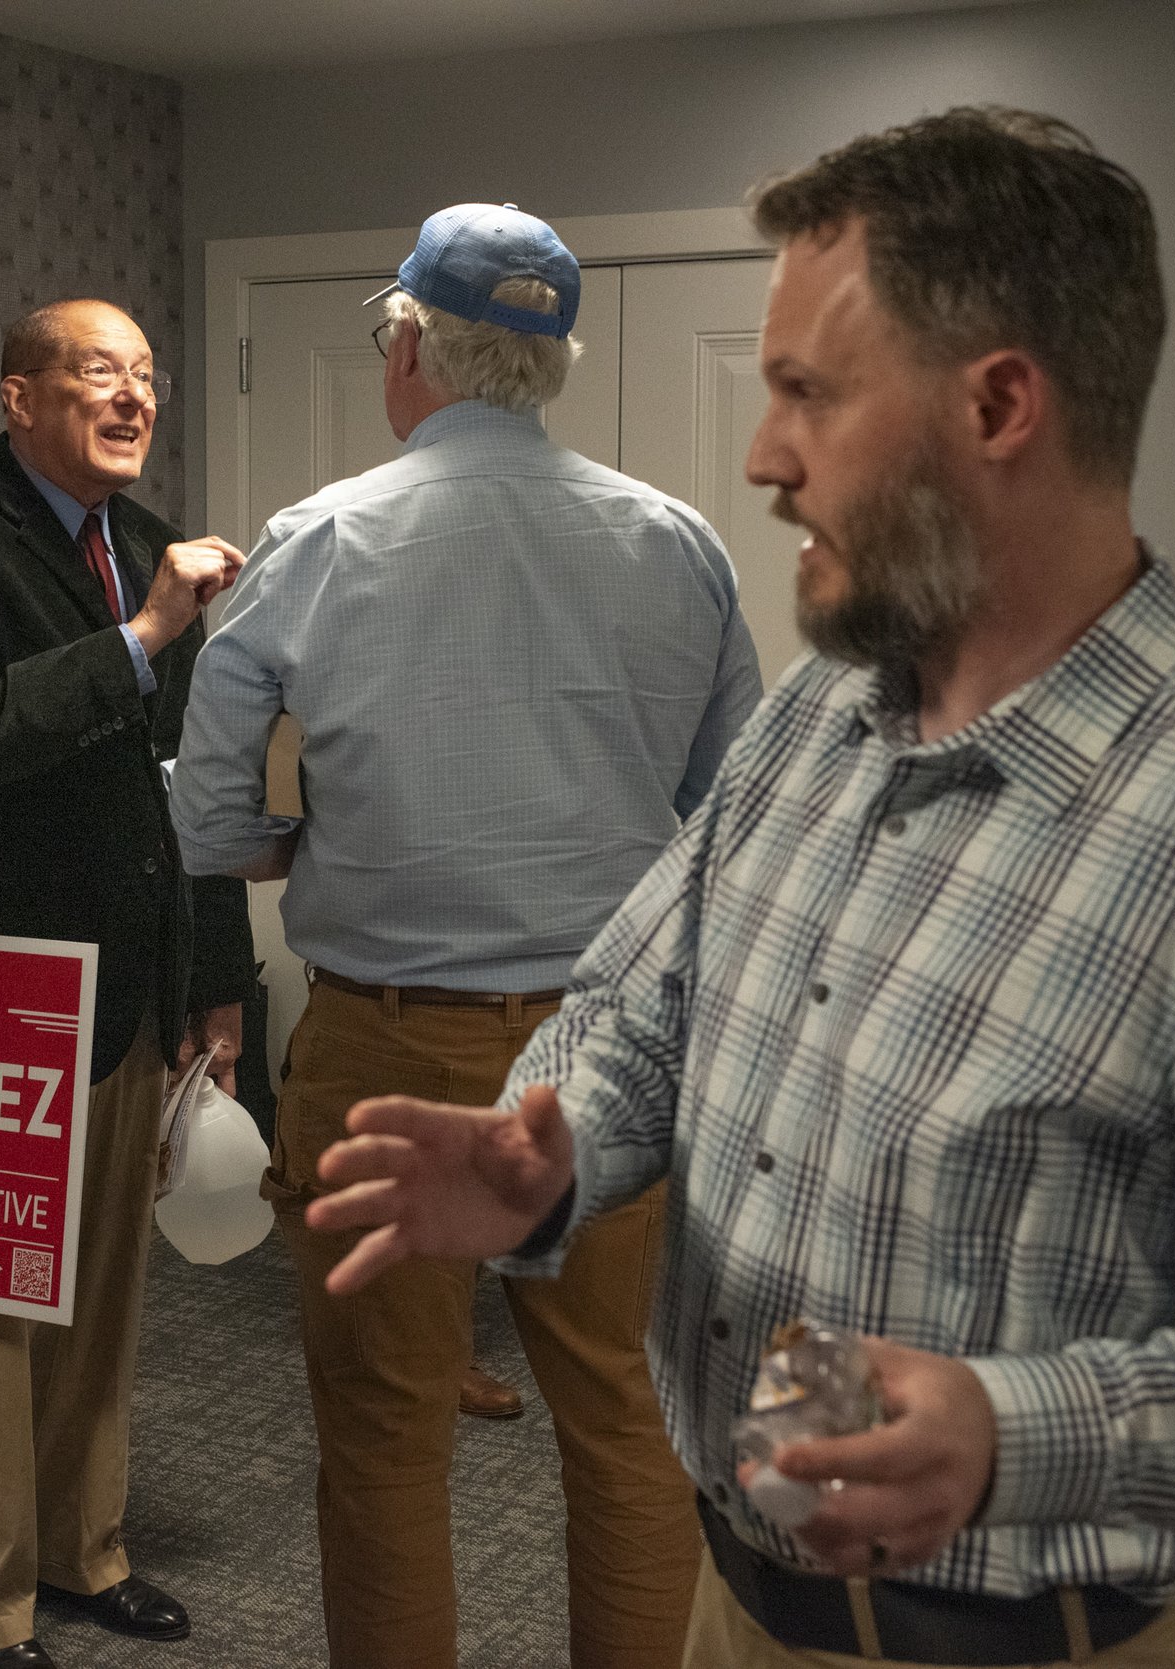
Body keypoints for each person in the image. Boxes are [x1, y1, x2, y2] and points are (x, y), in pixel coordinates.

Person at [305, 110, 1175, 1669]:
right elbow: (637, 1003)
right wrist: (557, 1145)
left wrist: (1022, 1430)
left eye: (810, 391)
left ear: (999, 401)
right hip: (734, 1602)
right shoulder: (819, 719)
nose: (763, 454)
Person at [170, 202, 761, 1668]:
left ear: (409, 347)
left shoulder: (316, 542)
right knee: (628, 1419)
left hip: (380, 1039)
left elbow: (206, 831)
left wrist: (321, 840)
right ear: (550, 361)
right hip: (609, 1054)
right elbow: (731, 820)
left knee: (384, 1436)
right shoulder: (675, 543)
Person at [0, 298, 254, 1669]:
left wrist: (219, 980)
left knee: (100, 1293)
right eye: (102, 372)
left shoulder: (148, 547)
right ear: (21, 393)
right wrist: (143, 635)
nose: (135, 396)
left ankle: (82, 1554)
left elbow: (191, 786)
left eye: (149, 374)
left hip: (133, 982)